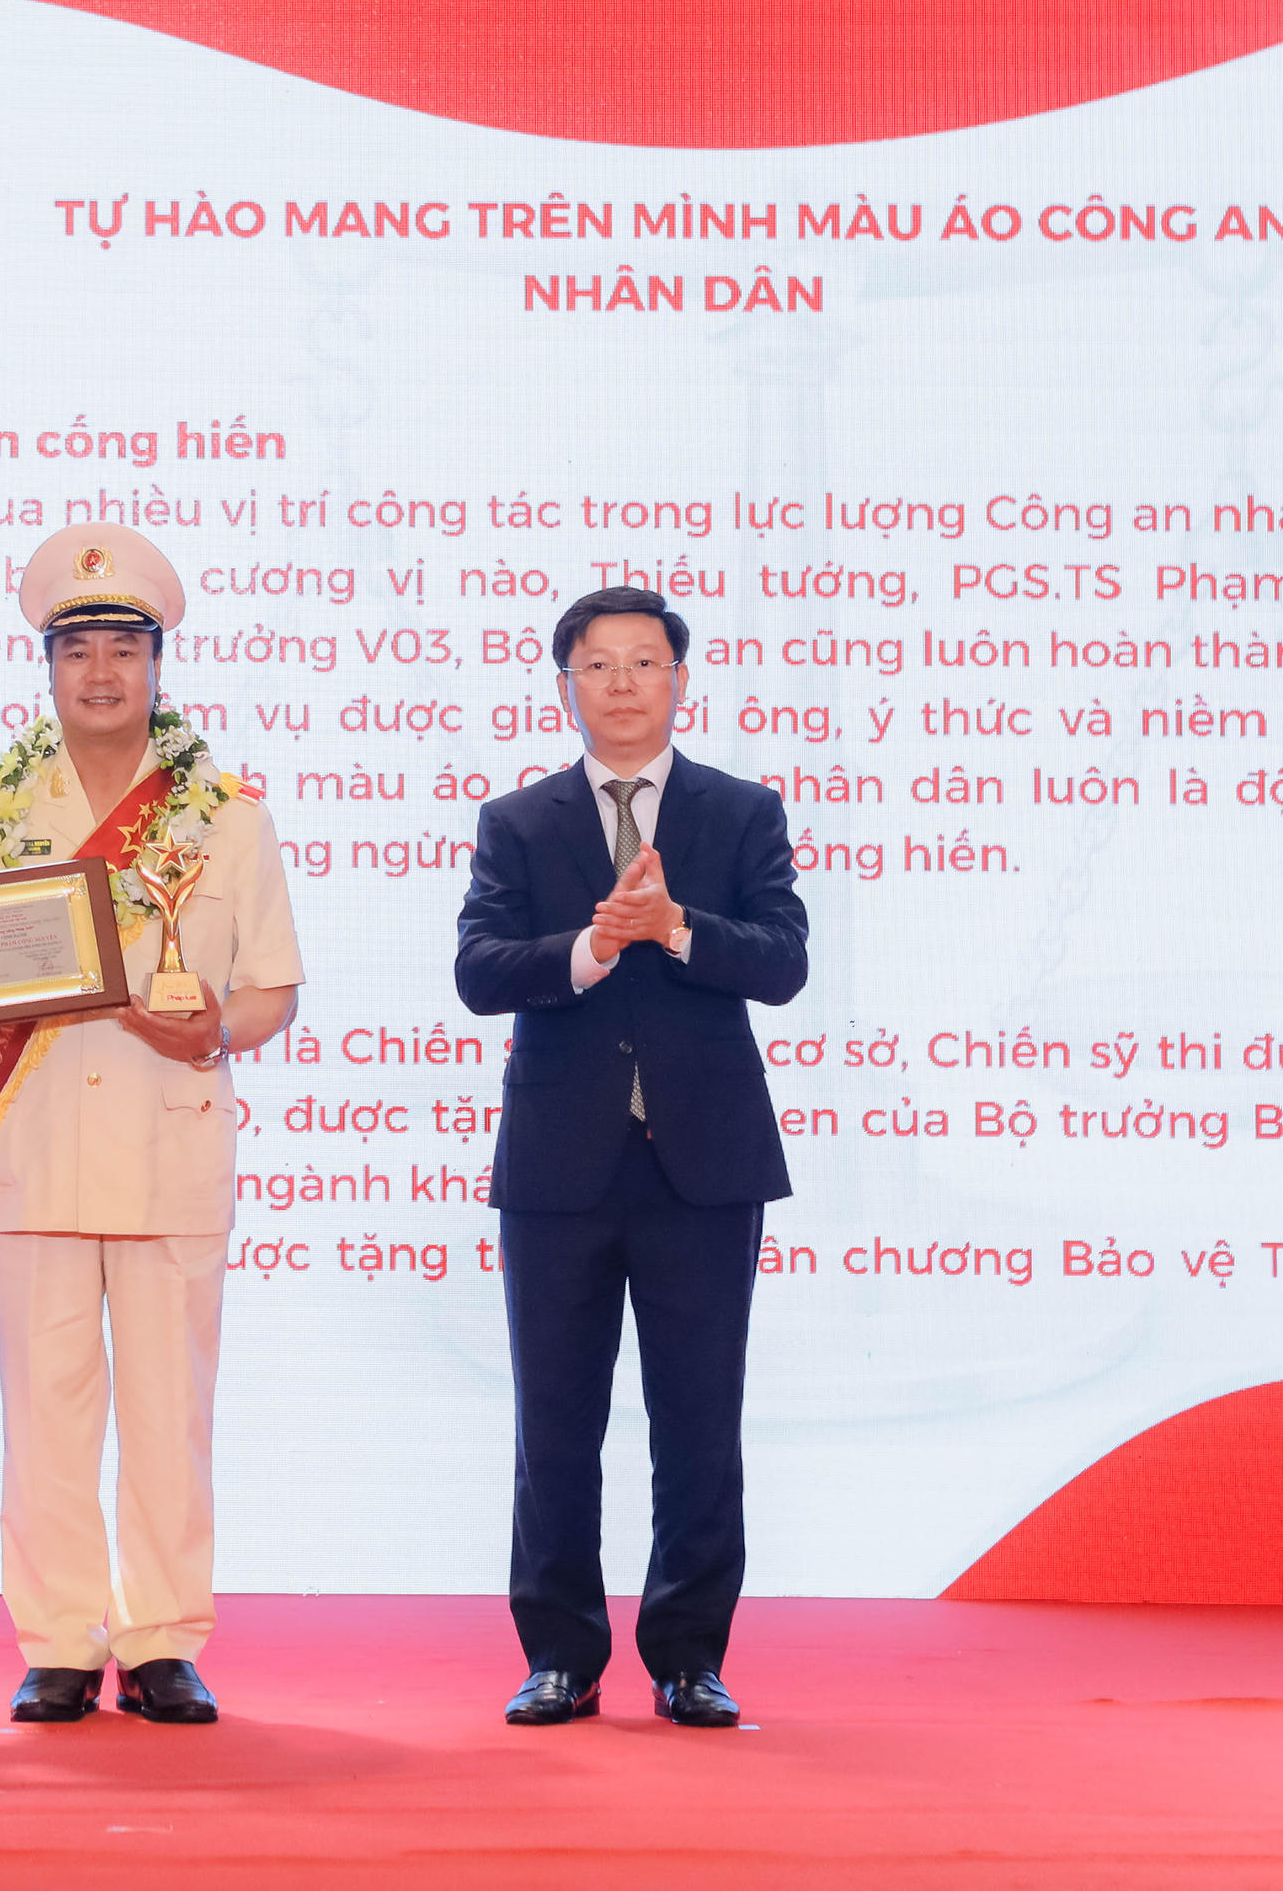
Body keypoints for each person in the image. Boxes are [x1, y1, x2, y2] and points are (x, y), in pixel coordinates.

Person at [0, 526, 302, 1727]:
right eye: (79, 650)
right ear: (49, 666)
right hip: (41, 1138)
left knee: (170, 1412)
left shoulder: (227, 817)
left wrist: (218, 1028)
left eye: (124, 647)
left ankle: (163, 1639)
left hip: (172, 1134)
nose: (103, 672)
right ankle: (60, 1641)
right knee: (46, 1409)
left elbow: (273, 987)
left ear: (158, 663)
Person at [453, 585, 806, 1732]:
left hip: (704, 1166)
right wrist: (590, 947)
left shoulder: (740, 811)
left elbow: (784, 960)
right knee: (555, 1424)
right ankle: (560, 1655)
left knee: (699, 1421)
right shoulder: (519, 821)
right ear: (567, 686)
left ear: (679, 681)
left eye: (643, 662)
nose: (621, 683)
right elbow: (479, 970)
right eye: (598, 665)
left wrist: (677, 929)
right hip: (560, 1166)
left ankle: (689, 1657)